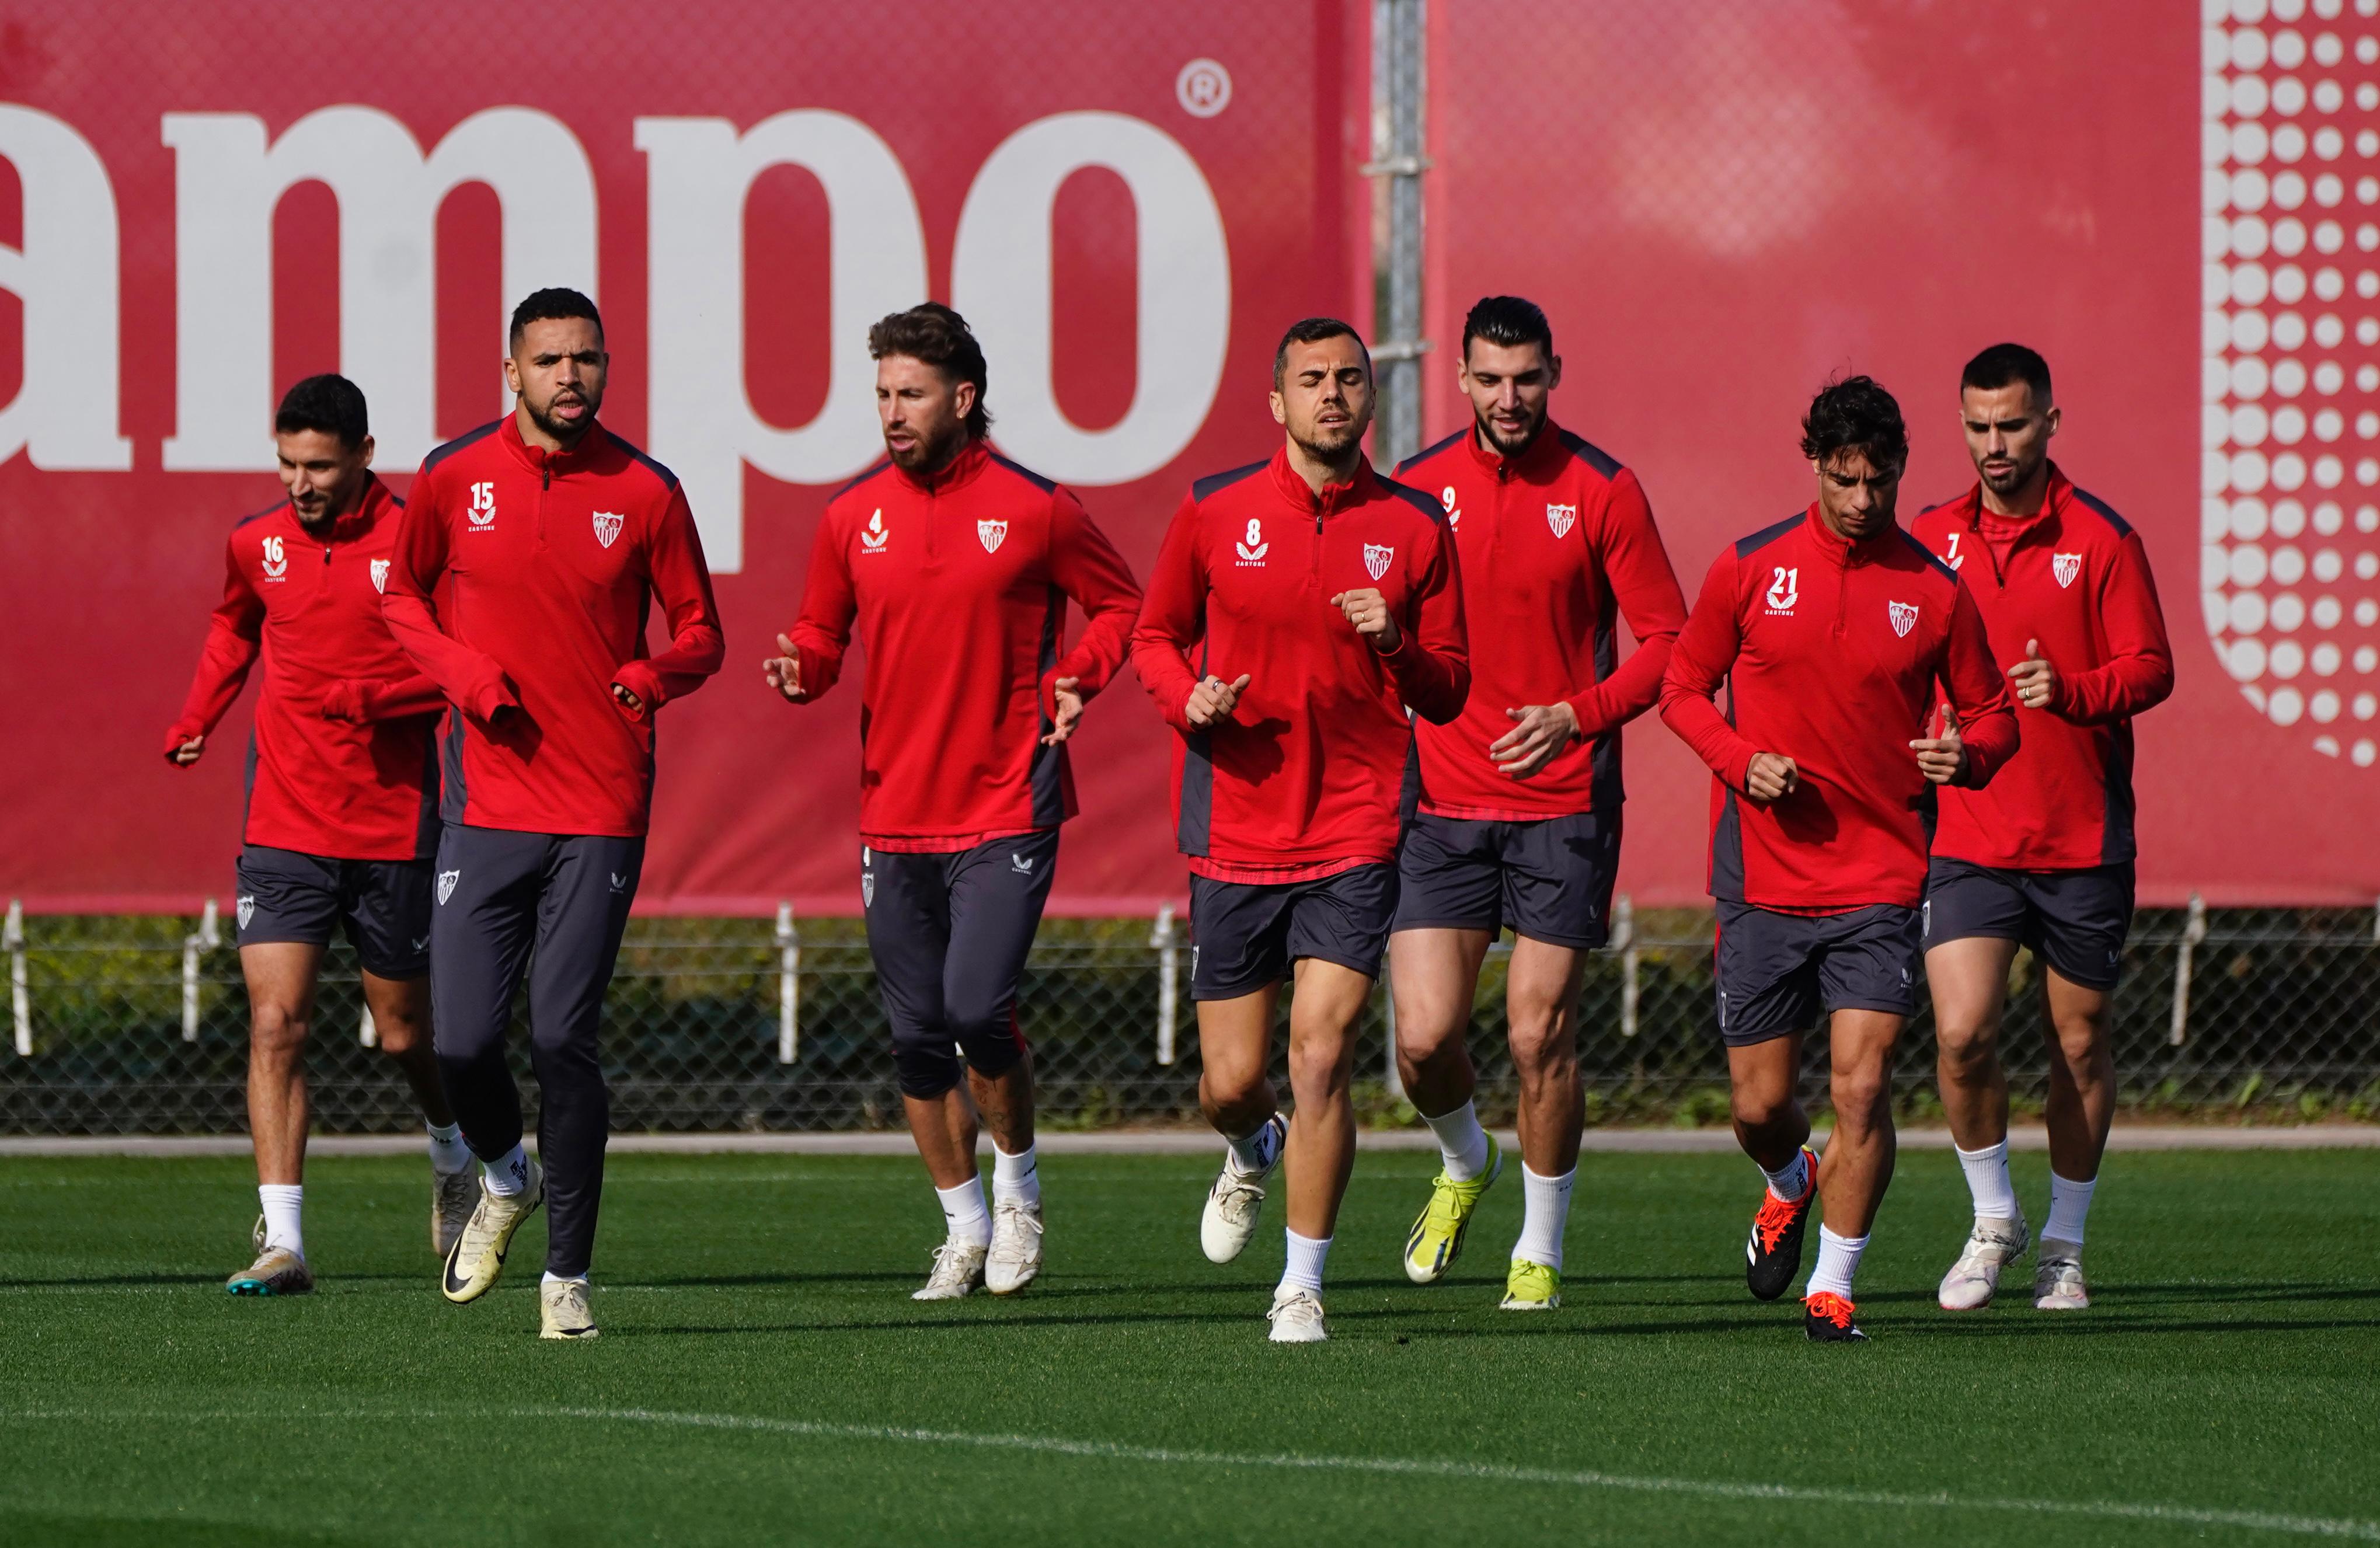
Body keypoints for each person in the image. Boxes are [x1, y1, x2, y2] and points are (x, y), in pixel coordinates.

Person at [764, 304, 1141, 1300]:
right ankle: (963, 1226)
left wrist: (1082, 673)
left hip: (1006, 803)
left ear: (962, 399)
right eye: (883, 392)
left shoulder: (1036, 507)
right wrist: (801, 667)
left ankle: (1018, 1198)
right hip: (893, 814)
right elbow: (819, 631)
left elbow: (1122, 607)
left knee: (978, 1008)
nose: (891, 411)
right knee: (917, 1036)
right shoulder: (850, 516)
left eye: (911, 394)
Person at [381, 288, 724, 1340]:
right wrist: (466, 674)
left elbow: (703, 631)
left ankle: (566, 1279)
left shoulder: (649, 490)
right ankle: (503, 1174)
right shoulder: (450, 476)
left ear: (607, 367)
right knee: (466, 1042)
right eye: (549, 361)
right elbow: (399, 599)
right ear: (511, 373)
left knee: (562, 1035)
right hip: (486, 803)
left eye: (587, 359)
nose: (569, 377)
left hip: (602, 803)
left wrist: (655, 674)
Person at [1659, 376, 2017, 1342]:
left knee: (1861, 1085)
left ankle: (1834, 1285)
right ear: (1814, 463)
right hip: (1763, 881)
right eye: (1847, 479)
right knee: (1757, 1104)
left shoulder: (1935, 592)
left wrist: (1968, 754)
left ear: (1901, 470)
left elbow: (1992, 716)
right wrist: (1740, 763)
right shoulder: (1747, 568)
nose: (1864, 500)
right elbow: (1682, 688)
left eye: (1882, 480)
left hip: (1881, 879)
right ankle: (1788, 1178)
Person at [1132, 317, 1469, 1343]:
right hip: (1235, 825)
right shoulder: (1211, 510)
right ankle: (1249, 1148)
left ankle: (1301, 1285)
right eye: (1310, 380)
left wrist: (1399, 643)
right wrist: (1186, 699)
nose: (1331, 394)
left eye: (1349, 379)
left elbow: (1450, 687)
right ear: (1275, 402)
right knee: (1230, 1083)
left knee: (1321, 1054)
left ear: (1371, 400)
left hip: (1357, 830)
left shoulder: (1413, 525)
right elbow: (1153, 637)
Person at [1387, 296, 1687, 1310]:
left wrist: (1577, 715)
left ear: (1553, 372)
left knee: (1533, 1034)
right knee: (1424, 1043)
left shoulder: (1603, 488)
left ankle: (1540, 1249)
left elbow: (1668, 647)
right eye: (1489, 379)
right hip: (1441, 800)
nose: (1508, 398)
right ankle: (1466, 1162)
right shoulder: (1419, 489)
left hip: (1563, 802)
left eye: (1526, 378)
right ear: (1461, 381)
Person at [165, 374, 473, 1297]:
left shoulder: (416, 540)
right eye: (289, 463)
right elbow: (233, 629)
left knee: (402, 1034)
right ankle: (285, 1240)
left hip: (392, 828)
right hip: (285, 827)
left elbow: (464, 669)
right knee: (274, 1025)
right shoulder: (255, 543)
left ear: (366, 458)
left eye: (322, 467)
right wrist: (198, 716)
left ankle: (454, 1152)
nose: (302, 483)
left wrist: (377, 700)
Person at [1912, 344, 2174, 1312]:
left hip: (2080, 838)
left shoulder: (2102, 539)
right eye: (1977, 427)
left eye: (2012, 425)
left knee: (2078, 1041)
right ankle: (1993, 1222)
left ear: (2050, 423)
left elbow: (2151, 668)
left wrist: (2072, 692)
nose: (1994, 445)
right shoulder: (1928, 536)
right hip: (1968, 832)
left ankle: (2063, 1243)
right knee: (1961, 1032)